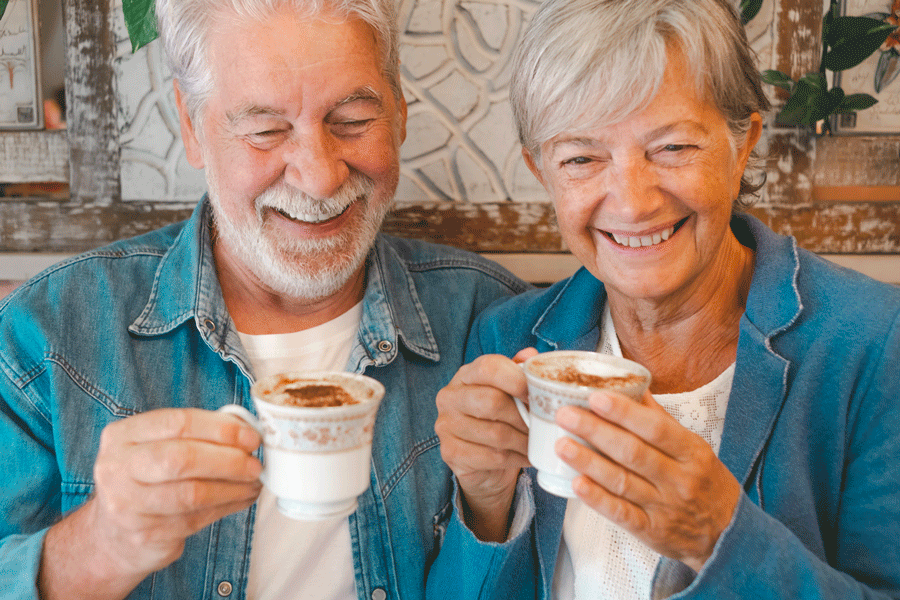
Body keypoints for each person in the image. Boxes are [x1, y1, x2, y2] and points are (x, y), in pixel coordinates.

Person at [0, 0, 528, 598]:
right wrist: (100, 545)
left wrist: (489, 506)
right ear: (192, 126)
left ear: (401, 112)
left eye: (353, 119)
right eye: (266, 131)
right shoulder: (44, 338)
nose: (320, 176)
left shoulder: (494, 322)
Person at [428, 0, 900, 598]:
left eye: (672, 148)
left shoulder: (873, 344)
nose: (631, 201)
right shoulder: (508, 338)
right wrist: (485, 500)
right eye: (581, 158)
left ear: (743, 144)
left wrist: (721, 539)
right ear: (542, 170)